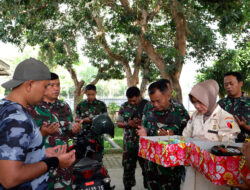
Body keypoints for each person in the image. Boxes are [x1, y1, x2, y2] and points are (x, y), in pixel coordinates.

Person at [0, 58, 75, 189]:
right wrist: (54, 161)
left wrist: (41, 153)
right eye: (45, 86)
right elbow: (10, 178)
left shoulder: (5, 107)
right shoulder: (18, 119)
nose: (46, 91)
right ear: (29, 85)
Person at [182, 80, 241, 190]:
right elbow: (185, 135)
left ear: (211, 98)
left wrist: (207, 144)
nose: (197, 106)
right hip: (193, 167)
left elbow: (230, 147)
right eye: (194, 102)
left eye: (200, 102)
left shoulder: (226, 118)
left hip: (214, 172)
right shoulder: (195, 115)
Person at [27, 72, 82, 190]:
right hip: (42, 165)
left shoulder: (64, 106)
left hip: (64, 165)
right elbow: (24, 141)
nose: (56, 88)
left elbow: (68, 133)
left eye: (58, 85)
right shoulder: (32, 107)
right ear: (43, 86)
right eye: (51, 85)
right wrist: (43, 133)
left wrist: (74, 130)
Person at [137, 81, 190, 190]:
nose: (155, 104)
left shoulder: (179, 110)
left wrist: (173, 136)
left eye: (158, 101)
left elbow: (188, 136)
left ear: (168, 95)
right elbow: (144, 126)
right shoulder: (147, 107)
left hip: (171, 169)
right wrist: (143, 133)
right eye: (153, 101)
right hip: (151, 166)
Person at [116, 86, 148, 190]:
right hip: (129, 144)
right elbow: (118, 123)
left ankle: (148, 186)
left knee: (147, 169)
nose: (132, 103)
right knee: (128, 168)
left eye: (134, 100)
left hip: (145, 144)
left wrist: (142, 123)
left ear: (140, 96)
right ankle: (128, 187)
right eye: (130, 101)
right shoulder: (124, 106)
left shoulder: (148, 105)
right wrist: (128, 124)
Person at [75, 84, 107, 157]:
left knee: (98, 156)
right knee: (85, 156)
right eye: (88, 94)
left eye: (93, 94)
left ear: (96, 93)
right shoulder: (81, 105)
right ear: (85, 93)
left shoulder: (101, 105)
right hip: (84, 135)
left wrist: (95, 120)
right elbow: (77, 119)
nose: (91, 96)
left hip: (98, 136)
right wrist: (83, 120)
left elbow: (105, 120)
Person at [218, 72, 250, 142]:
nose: (228, 87)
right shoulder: (219, 104)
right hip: (223, 145)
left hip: (245, 146)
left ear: (240, 83)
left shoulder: (248, 102)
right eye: (226, 85)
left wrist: (245, 126)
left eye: (231, 84)